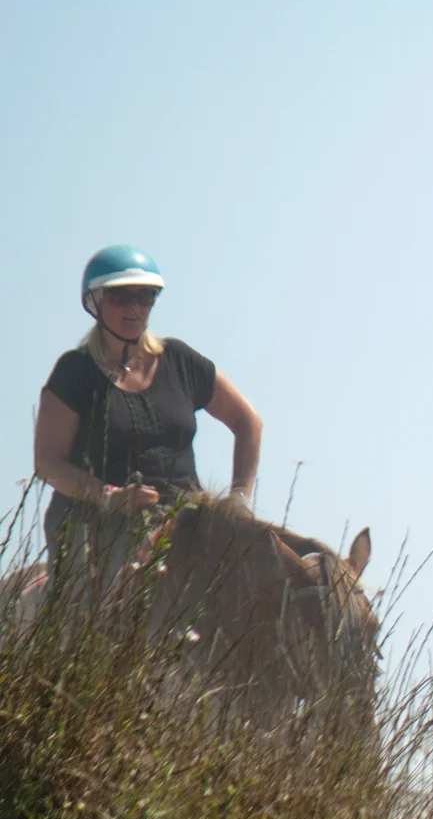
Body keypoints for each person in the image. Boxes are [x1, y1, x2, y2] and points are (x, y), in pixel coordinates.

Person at [33, 245, 263, 584]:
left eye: (146, 296)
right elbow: (48, 463)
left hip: (185, 525)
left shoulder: (180, 360)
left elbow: (249, 422)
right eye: (122, 297)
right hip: (96, 528)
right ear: (94, 302)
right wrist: (109, 497)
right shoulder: (74, 372)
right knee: (94, 609)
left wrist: (240, 498)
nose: (136, 307)